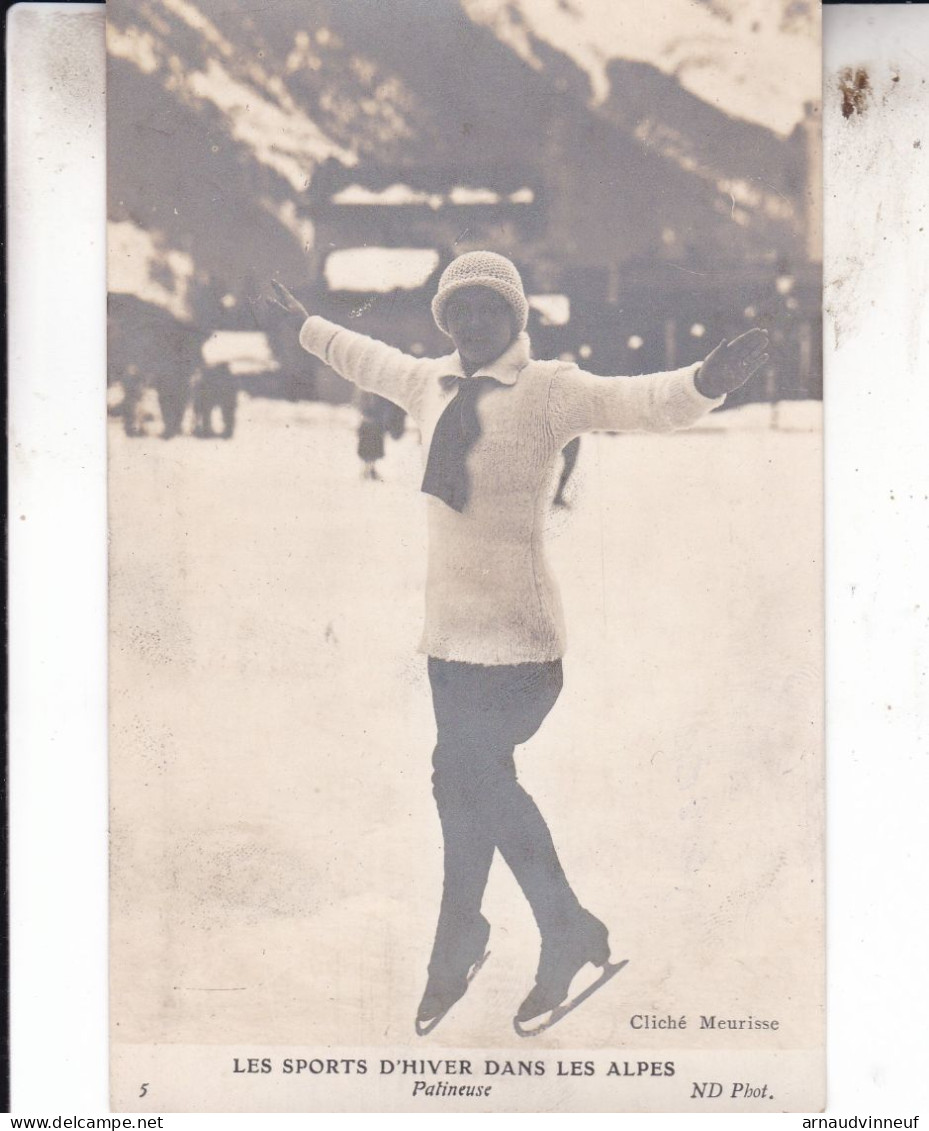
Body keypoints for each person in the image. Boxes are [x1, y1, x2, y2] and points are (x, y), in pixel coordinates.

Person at [270, 252, 767, 1034]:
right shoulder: (430, 384)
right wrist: (305, 326)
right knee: (464, 786)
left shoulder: (548, 390)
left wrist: (705, 380)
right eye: (458, 311)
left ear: (516, 318)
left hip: (522, 644)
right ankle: (490, 936)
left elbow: (635, 401)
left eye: (488, 309)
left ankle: (518, 930)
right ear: (446, 321)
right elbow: (369, 358)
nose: (473, 324)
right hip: (448, 644)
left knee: (463, 774)